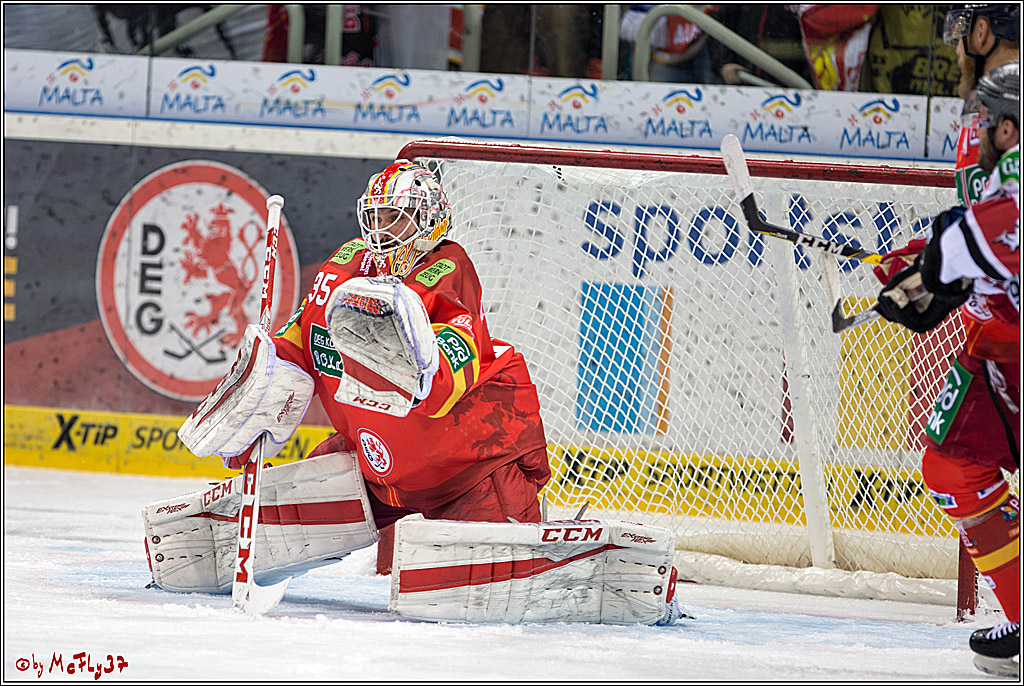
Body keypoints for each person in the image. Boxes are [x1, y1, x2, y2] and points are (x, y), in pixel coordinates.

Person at [276, 161, 551, 572]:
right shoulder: (348, 262)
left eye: (396, 217)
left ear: (428, 220)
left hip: (465, 471)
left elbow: (443, 376)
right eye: (375, 217)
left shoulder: (448, 269)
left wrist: (406, 367)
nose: (382, 228)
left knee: (500, 577)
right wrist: (264, 382)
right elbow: (300, 336)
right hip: (376, 469)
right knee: (297, 528)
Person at [872, 60, 1019, 679]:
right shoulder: (1001, 175)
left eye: (985, 120)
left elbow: (969, 248)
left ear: (1009, 128)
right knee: (954, 464)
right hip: (999, 350)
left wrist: (926, 275)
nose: (974, 128)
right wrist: (920, 260)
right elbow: (968, 240)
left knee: (954, 465)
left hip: (1007, 348)